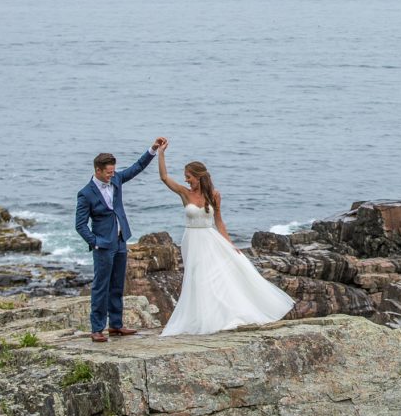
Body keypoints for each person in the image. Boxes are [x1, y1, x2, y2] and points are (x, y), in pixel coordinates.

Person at [154, 137, 295, 336]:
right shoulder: (184, 193)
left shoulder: (214, 195)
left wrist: (230, 244)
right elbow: (164, 177)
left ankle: (223, 315)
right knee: (197, 278)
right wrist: (161, 153)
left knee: (219, 275)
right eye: (185, 176)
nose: (186, 180)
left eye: (189, 176)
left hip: (210, 238)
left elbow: (219, 221)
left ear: (198, 176)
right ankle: (202, 319)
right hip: (192, 240)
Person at [75, 140, 162, 342]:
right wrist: (95, 242)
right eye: (108, 172)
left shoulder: (116, 180)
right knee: (100, 286)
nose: (111, 174)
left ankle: (116, 325)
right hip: (103, 245)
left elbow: (137, 167)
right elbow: (80, 225)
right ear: (97, 170)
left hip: (121, 241)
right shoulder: (85, 194)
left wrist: (153, 150)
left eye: (113, 171)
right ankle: (97, 328)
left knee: (117, 286)